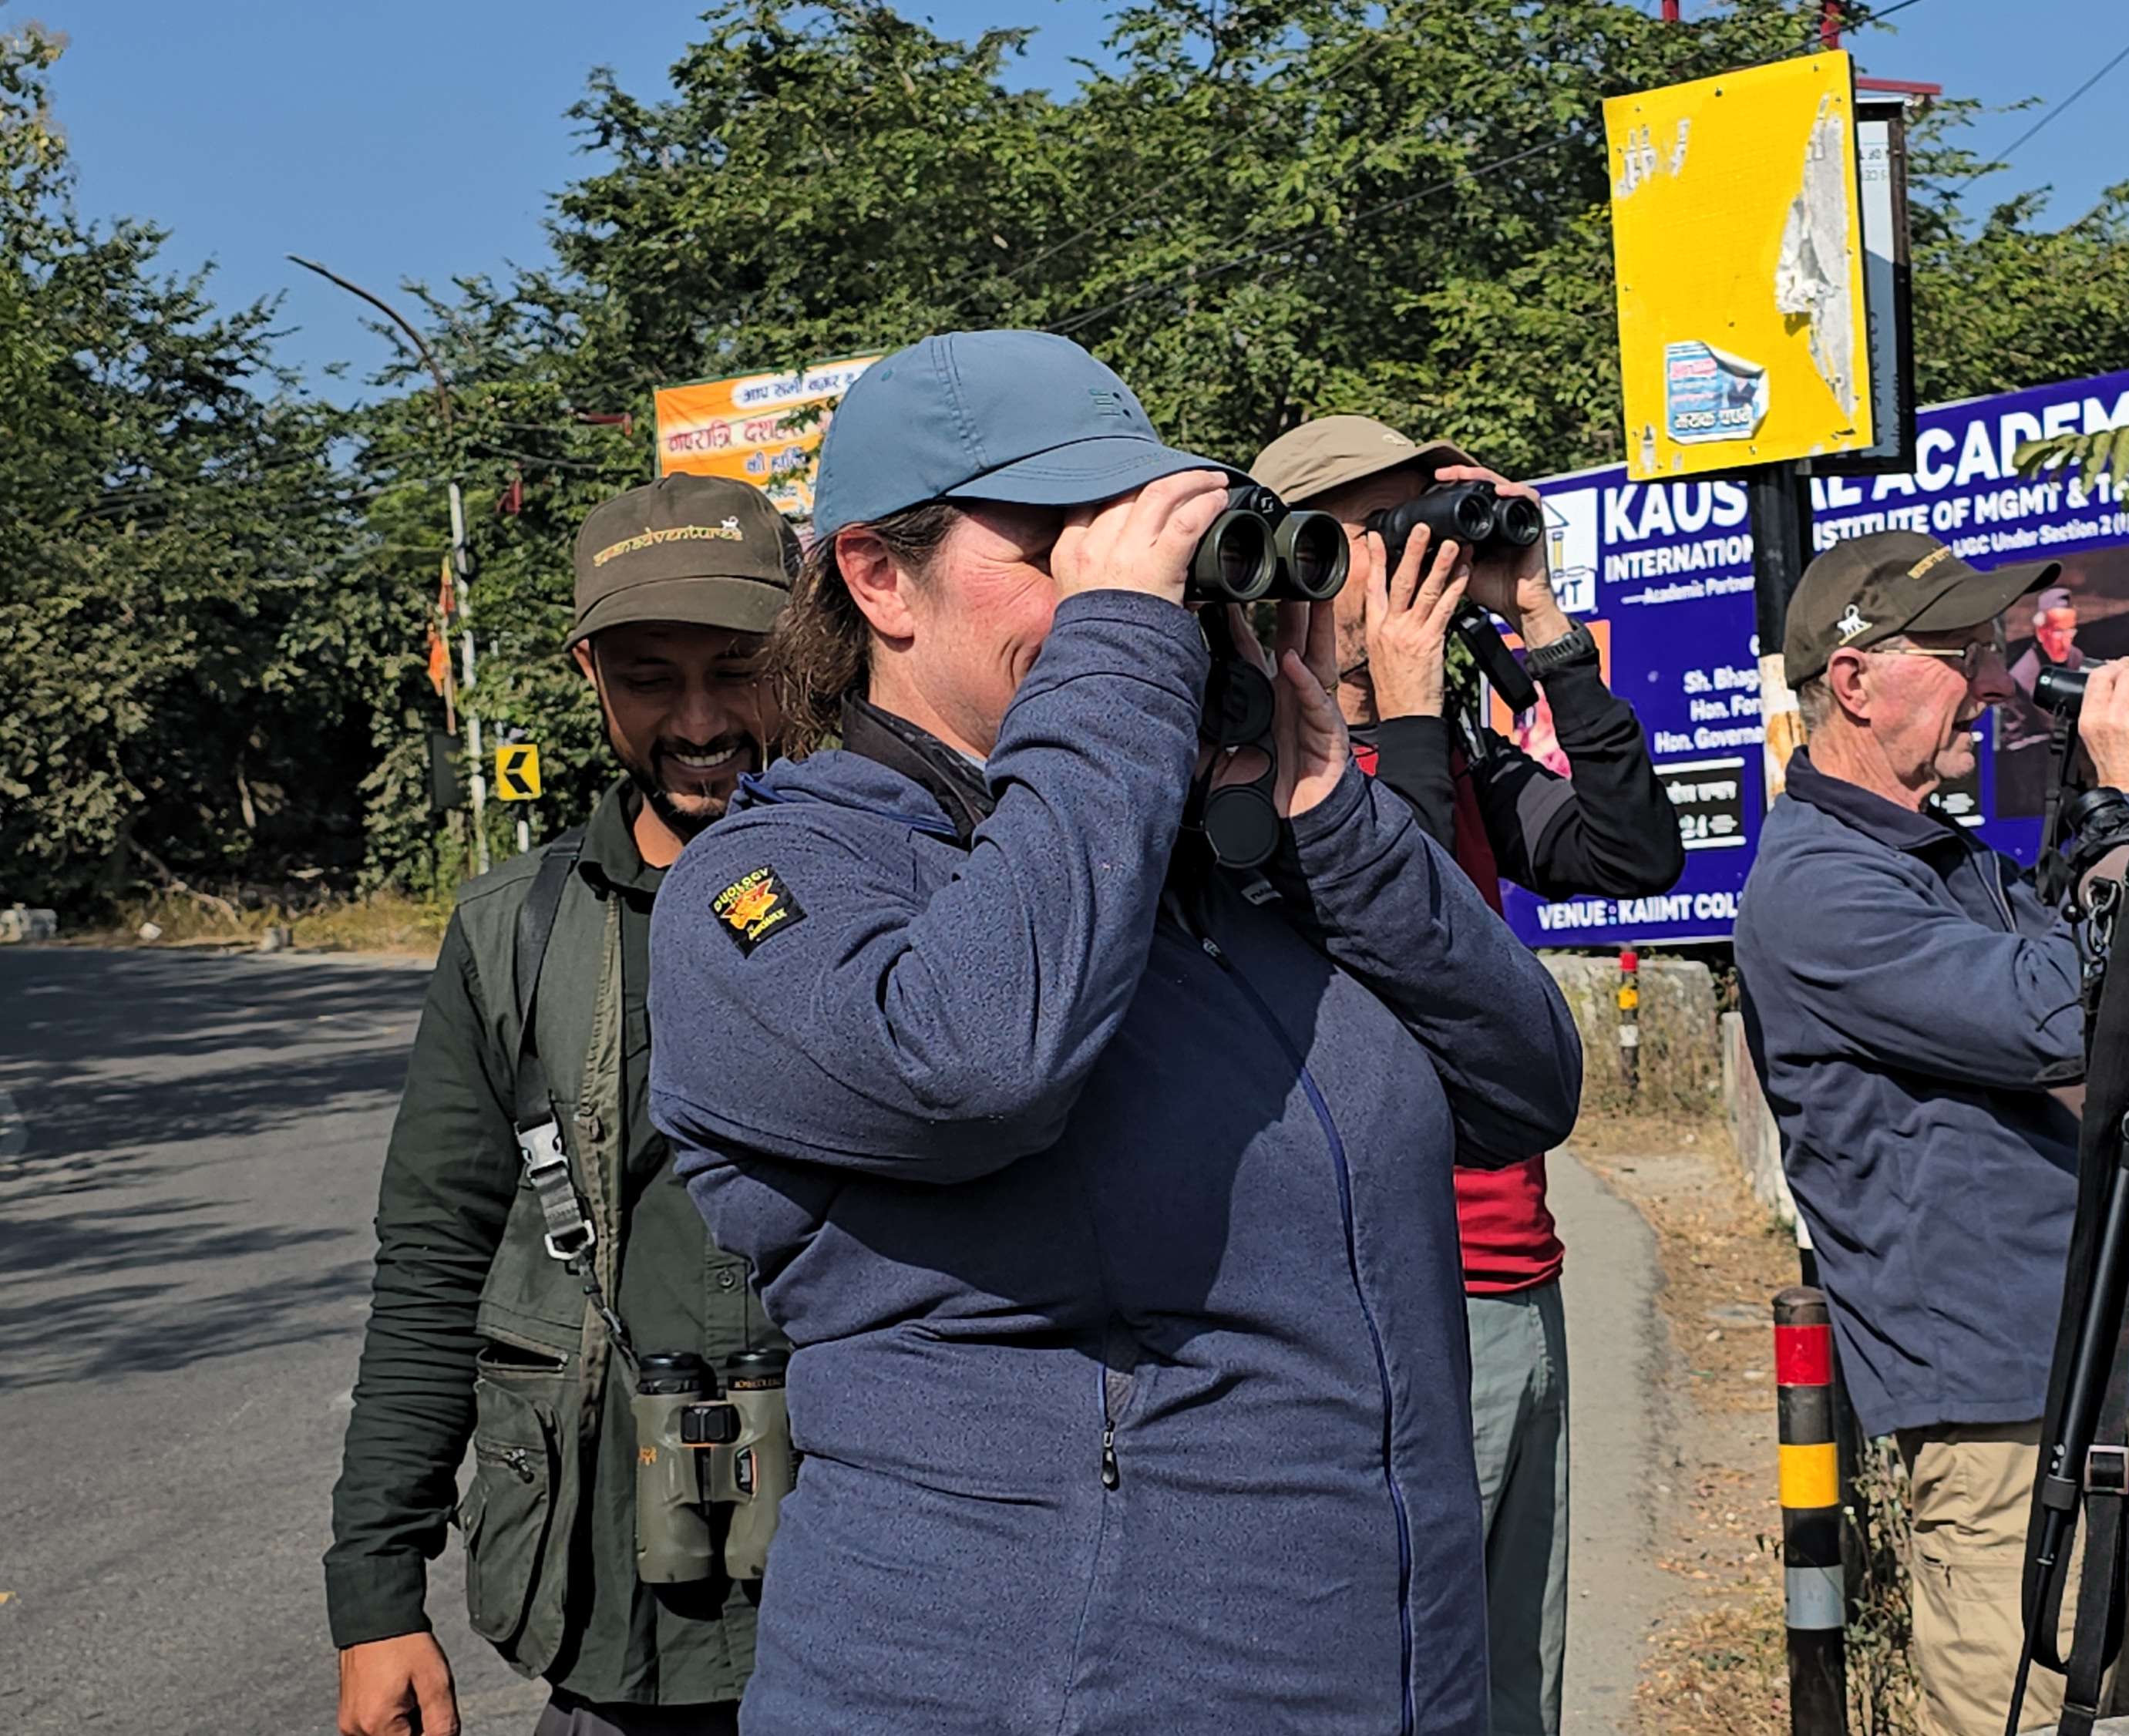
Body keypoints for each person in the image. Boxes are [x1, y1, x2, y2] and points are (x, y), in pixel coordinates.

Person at [644, 331, 1583, 1736]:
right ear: (876, 578)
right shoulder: (770, 887)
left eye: (1139, 549)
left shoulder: (1217, 867)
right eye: (1058, 546)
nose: (1121, 591)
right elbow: (976, 1066)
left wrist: (1329, 809)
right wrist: (1124, 658)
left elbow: (1524, 1086)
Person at [1732, 530, 2129, 1736]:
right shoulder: (1816, 888)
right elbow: (2065, 1019)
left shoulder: (1963, 864)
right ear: (1855, 680)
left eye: (2001, 650)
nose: (2006, 681)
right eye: (1967, 652)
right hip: (2009, 1412)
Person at [328, 475, 800, 1736]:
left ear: (810, 655)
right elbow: (432, 1263)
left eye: (741, 668)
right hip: (613, 1621)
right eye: (652, 676)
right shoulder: (511, 937)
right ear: (591, 675)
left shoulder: (919, 889)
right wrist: (375, 1597)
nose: (701, 719)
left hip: (872, 1594)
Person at [1252, 415, 1687, 1736]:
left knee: (1514, 1695)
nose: (1424, 564)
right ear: (1307, 564)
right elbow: (1409, 937)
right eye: (1389, 538)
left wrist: (1543, 623)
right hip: (1396, 1296)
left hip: (1521, 1274)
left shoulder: (1453, 752)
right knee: (1409, 1690)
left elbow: (1632, 855)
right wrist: (1397, 704)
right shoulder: (1267, 784)